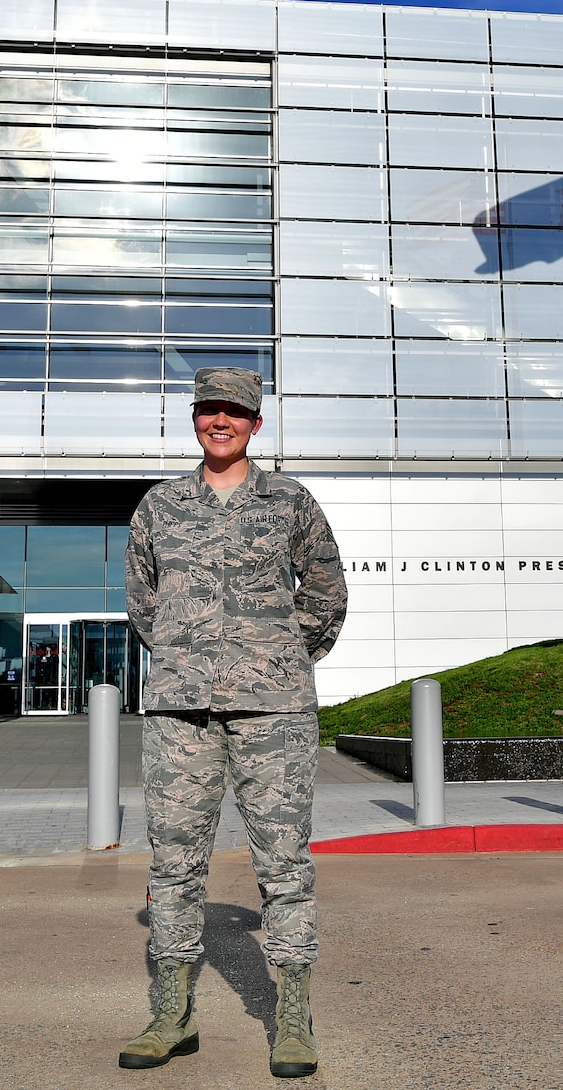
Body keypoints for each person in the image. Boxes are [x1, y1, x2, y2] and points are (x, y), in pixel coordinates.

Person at [118, 367, 347, 1079]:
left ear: (254, 421)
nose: (220, 422)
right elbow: (141, 603)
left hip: (272, 713)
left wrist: (276, 658)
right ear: (195, 418)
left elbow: (328, 593)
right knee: (173, 864)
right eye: (208, 411)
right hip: (180, 714)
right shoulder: (159, 505)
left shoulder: (290, 500)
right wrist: (191, 661)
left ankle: (292, 1018)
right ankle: (173, 1013)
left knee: (283, 866)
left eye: (234, 413)